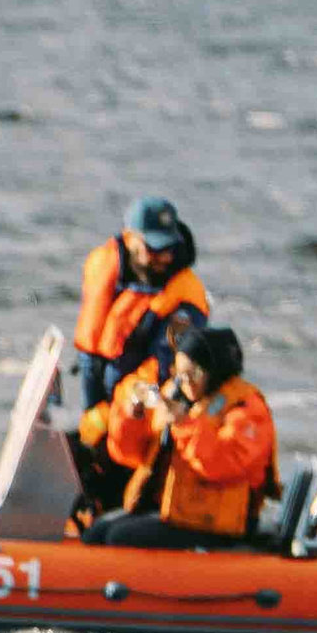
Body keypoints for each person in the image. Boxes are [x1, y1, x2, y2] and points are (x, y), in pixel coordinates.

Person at [72, 197, 210, 514]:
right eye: (153, 248)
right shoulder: (107, 265)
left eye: (168, 247)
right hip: (103, 408)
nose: (164, 257)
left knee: (113, 480)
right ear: (130, 239)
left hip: (142, 417)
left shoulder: (183, 302)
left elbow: (163, 375)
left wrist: (110, 415)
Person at [82, 326, 277, 550]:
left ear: (214, 370)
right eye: (180, 374)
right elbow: (129, 454)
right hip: (171, 509)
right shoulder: (176, 396)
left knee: (120, 537)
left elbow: (221, 465)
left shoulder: (246, 409)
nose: (186, 382)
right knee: (96, 532)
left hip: (213, 522)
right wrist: (133, 416)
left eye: (193, 374)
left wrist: (184, 424)